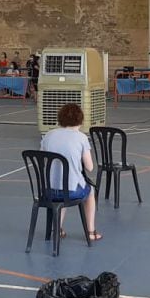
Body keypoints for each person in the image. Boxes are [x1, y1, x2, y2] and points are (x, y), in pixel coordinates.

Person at [40, 103, 101, 242]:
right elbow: (90, 167)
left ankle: (57, 228)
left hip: (48, 191)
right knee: (90, 192)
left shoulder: (48, 135)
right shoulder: (81, 138)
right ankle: (91, 231)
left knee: (62, 190)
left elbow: (43, 161)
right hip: (69, 191)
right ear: (80, 120)